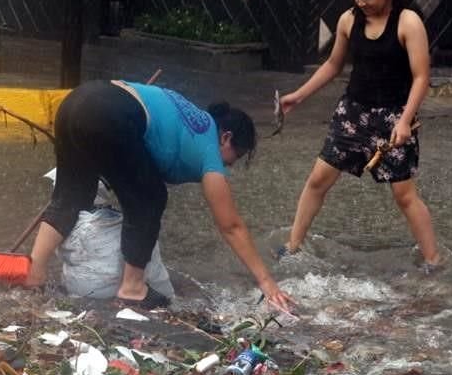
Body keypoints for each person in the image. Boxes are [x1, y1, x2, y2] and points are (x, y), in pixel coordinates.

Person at [24, 79, 294, 312]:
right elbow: (231, 225)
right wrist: (267, 282)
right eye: (231, 160)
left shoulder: (193, 119)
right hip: (108, 114)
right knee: (151, 197)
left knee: (71, 195)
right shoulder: (210, 148)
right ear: (226, 137)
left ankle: (34, 275)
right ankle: (133, 289)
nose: (225, 168)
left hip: (76, 102)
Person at [278, 0, 441, 267]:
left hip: (394, 115)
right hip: (353, 113)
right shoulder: (347, 20)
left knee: (404, 195)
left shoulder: (408, 22)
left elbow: (422, 76)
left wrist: (405, 120)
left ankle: (434, 260)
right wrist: (298, 96)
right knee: (318, 179)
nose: (361, 3)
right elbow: (332, 65)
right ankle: (293, 245)